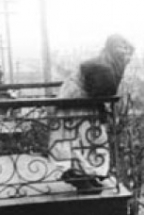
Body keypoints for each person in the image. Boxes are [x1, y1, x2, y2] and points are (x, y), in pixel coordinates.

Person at [54, 34, 134, 191]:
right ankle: (78, 174)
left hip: (84, 98)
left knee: (90, 137)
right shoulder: (102, 66)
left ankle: (88, 174)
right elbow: (102, 92)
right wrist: (103, 111)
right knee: (83, 137)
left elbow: (106, 91)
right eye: (121, 50)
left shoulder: (109, 63)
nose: (126, 55)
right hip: (78, 98)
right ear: (112, 49)